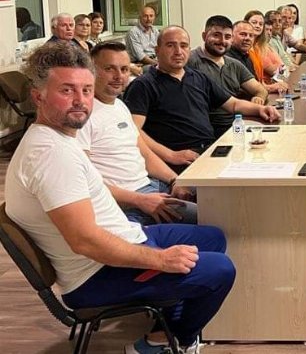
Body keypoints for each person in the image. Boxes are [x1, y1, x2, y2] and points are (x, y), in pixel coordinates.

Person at [4, 42, 235, 354]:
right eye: (67, 90)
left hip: (123, 240)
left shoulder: (58, 137)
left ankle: (167, 321)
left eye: (86, 90)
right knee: (220, 269)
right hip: (95, 275)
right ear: (38, 96)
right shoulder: (50, 154)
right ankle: (161, 343)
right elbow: (85, 241)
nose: (80, 100)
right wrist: (161, 260)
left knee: (213, 237)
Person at [124, 26, 279, 173]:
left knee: (264, 166)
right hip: (177, 161)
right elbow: (133, 131)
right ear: (157, 50)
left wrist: (261, 109)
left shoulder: (198, 77)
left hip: (210, 151)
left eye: (184, 46)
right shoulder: (143, 85)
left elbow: (233, 104)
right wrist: (171, 155)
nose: (178, 51)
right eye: (170, 45)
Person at [78, 41, 198, 226]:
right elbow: (86, 182)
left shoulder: (119, 105)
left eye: (124, 69)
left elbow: (145, 154)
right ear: (90, 71)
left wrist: (175, 181)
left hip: (153, 186)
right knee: (215, 216)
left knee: (217, 192)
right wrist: (139, 200)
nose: (118, 76)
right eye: (109, 69)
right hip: (130, 203)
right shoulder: (82, 116)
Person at [188, 15, 272, 138]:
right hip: (206, 131)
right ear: (204, 36)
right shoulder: (190, 61)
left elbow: (260, 89)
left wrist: (259, 98)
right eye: (216, 35)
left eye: (227, 37)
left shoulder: (234, 64)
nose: (222, 41)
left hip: (237, 124)